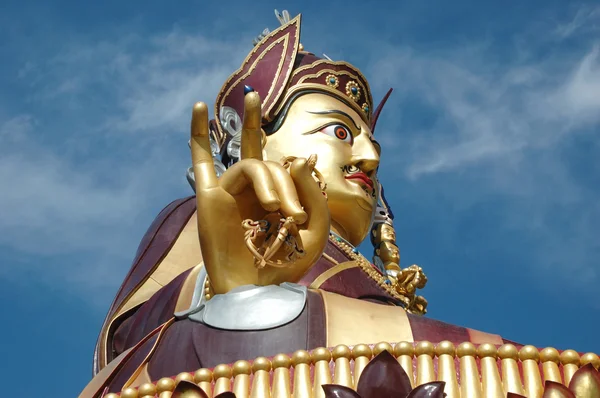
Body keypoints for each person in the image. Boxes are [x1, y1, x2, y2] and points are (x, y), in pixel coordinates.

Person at [80, 12, 598, 398]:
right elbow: (128, 340)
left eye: (372, 141)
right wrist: (232, 297)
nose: (369, 157)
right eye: (339, 132)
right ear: (254, 141)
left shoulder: (358, 271)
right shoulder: (205, 218)